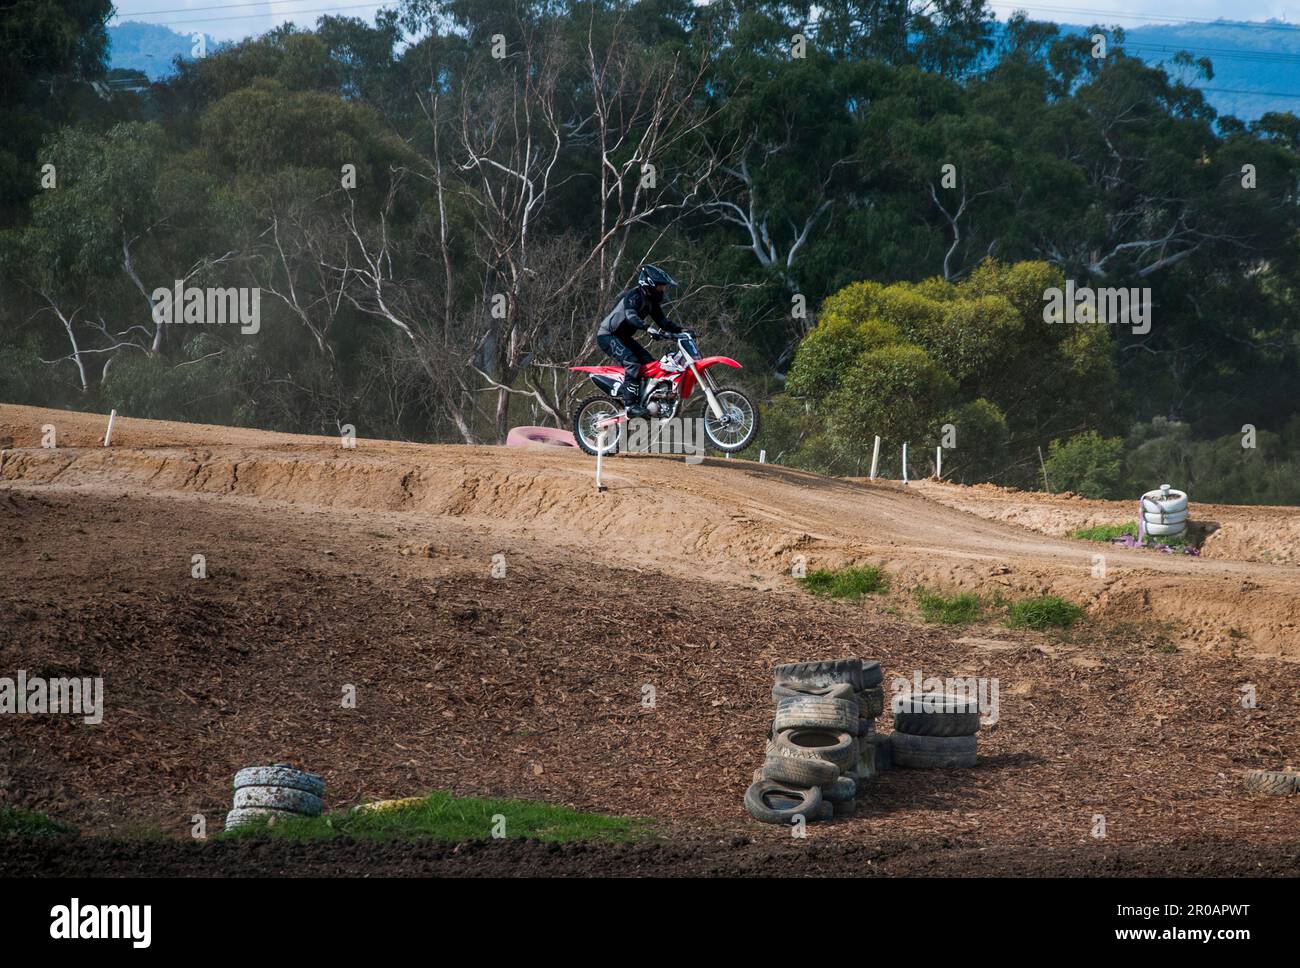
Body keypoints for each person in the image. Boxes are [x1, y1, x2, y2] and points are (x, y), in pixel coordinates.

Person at [595, 265, 683, 418]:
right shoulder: (634, 296)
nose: (662, 290)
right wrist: (647, 328)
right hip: (608, 335)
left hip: (623, 337)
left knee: (650, 364)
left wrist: (683, 331)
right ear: (649, 285)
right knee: (632, 361)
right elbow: (631, 316)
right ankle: (630, 405)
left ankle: (646, 401)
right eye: (661, 286)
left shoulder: (651, 302)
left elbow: (663, 322)